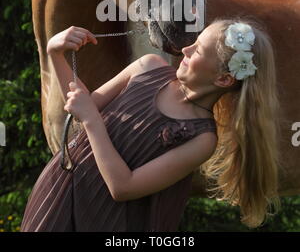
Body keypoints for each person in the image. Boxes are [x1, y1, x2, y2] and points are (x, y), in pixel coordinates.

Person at [21, 17, 281, 232]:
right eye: (195, 42)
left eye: (199, 50)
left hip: (105, 220)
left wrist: (91, 119)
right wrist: (55, 53)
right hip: (61, 188)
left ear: (223, 79)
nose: (186, 49)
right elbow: (81, 106)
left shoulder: (201, 139)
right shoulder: (148, 67)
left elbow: (123, 187)